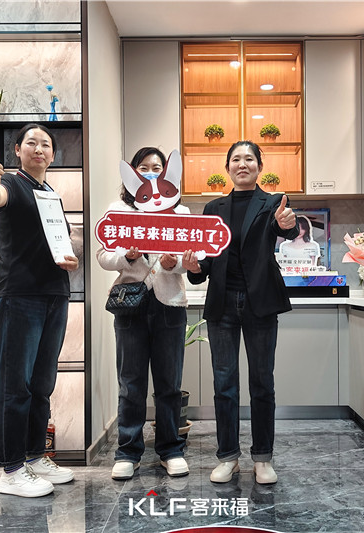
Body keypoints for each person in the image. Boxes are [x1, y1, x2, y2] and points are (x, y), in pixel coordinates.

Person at [183, 140, 297, 485]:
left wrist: (287, 224)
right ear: (228, 167)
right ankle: (228, 457)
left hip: (260, 302)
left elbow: (284, 227)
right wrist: (194, 267)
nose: (242, 164)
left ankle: (263, 458)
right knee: (224, 384)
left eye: (249, 159)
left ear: (259, 167)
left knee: (262, 382)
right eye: (236, 159)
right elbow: (204, 262)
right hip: (222, 303)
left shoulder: (273, 203)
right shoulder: (213, 208)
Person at [0, 123, 79, 498]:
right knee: (14, 386)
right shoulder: (12, 183)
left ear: (52, 155)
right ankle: (10, 470)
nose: (39, 149)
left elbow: (55, 244)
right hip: (20, 296)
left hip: (54, 294)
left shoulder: (50, 193)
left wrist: (70, 260)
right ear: (18, 150)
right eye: (31, 143)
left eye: (46, 145)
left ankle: (35, 457)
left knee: (41, 384)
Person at [97, 147, 191, 480]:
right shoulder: (118, 210)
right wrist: (128, 257)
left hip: (170, 303)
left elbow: (191, 259)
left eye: (157, 167)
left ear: (166, 174)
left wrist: (173, 263)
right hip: (130, 305)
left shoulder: (180, 212)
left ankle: (171, 449)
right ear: (133, 174)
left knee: (169, 383)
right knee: (130, 383)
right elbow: (103, 256)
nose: (151, 172)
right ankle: (128, 451)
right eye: (144, 167)